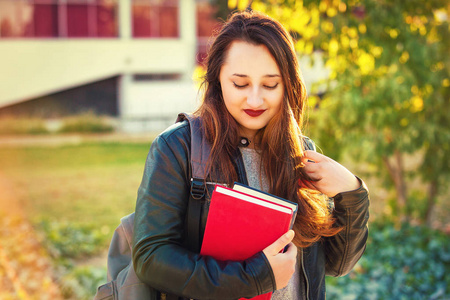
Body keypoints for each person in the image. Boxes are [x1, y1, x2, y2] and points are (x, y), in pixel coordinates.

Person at [132, 10, 369, 300]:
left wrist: (352, 194)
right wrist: (254, 278)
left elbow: (336, 264)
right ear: (217, 78)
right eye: (240, 84)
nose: (255, 99)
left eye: (271, 84)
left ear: (288, 84)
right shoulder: (178, 148)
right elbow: (151, 258)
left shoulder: (301, 152)